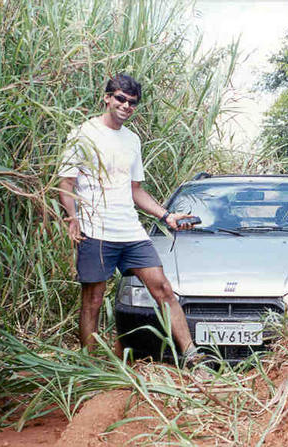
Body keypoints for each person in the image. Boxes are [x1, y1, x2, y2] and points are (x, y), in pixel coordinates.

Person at [57, 73, 201, 365]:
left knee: (163, 288)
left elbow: (135, 190)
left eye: (132, 103)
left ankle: (192, 356)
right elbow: (66, 183)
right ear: (107, 98)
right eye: (120, 99)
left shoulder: (132, 140)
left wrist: (167, 215)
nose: (126, 106)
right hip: (95, 230)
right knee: (93, 300)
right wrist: (72, 218)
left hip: (130, 232)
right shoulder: (83, 134)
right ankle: (91, 367)